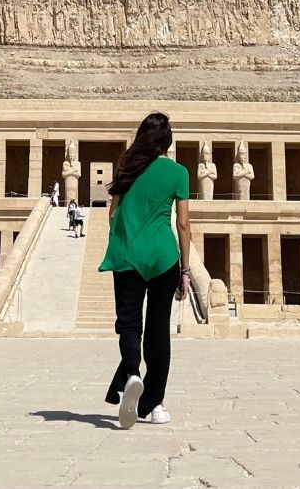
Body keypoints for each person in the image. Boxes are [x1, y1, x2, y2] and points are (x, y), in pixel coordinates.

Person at [99, 112, 191, 429]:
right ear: (168, 142)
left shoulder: (128, 168)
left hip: (128, 257)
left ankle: (131, 374)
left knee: (129, 325)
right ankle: (155, 405)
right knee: (157, 330)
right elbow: (182, 224)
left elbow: (112, 215)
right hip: (164, 257)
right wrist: (185, 269)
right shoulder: (179, 172)